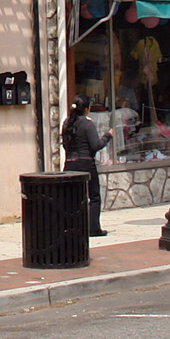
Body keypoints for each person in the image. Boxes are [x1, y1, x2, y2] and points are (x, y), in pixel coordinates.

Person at [61, 97, 108, 237]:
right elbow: (96, 145)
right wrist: (108, 136)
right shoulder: (87, 125)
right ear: (86, 109)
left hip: (70, 163)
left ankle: (72, 227)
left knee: (72, 198)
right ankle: (93, 228)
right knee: (94, 197)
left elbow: (65, 145)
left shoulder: (66, 123)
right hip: (86, 163)